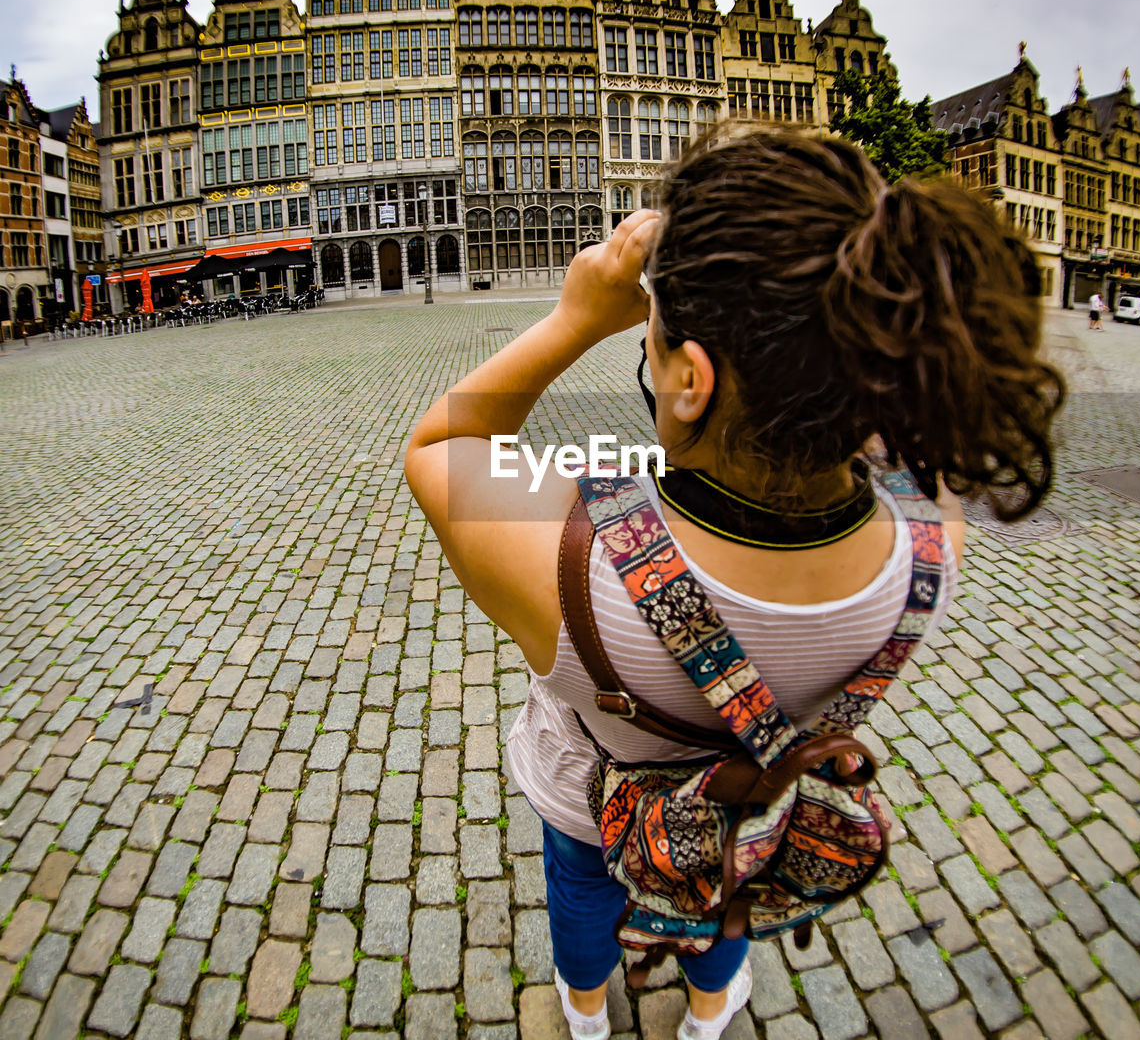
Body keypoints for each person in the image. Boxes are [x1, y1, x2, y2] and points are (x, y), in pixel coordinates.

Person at [404, 128, 1064, 1039]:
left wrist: (576, 317)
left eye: (651, 350)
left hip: (591, 800)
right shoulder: (928, 544)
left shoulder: (573, 556)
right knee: (726, 889)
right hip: (751, 799)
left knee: (582, 895)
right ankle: (711, 1009)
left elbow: (441, 445)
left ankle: (587, 1009)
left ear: (691, 381)